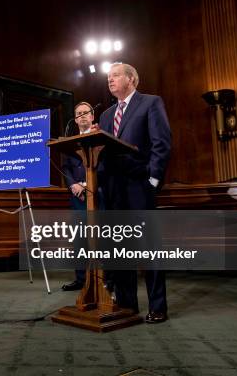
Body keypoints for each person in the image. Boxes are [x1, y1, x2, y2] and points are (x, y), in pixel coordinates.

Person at [97, 62, 171, 324]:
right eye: (108, 77)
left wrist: (152, 179)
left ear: (132, 79)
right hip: (114, 189)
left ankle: (158, 306)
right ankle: (128, 303)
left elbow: (161, 143)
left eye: (115, 75)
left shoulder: (150, 103)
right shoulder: (105, 115)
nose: (110, 80)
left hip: (140, 185)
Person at [61, 102, 95, 291]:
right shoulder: (70, 142)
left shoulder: (100, 136)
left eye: (86, 113)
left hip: (96, 195)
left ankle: (107, 280)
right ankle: (81, 279)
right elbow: (66, 167)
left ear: (92, 117)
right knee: (79, 239)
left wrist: (87, 185)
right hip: (76, 197)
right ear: (75, 119)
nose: (82, 116)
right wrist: (73, 184)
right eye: (78, 114)